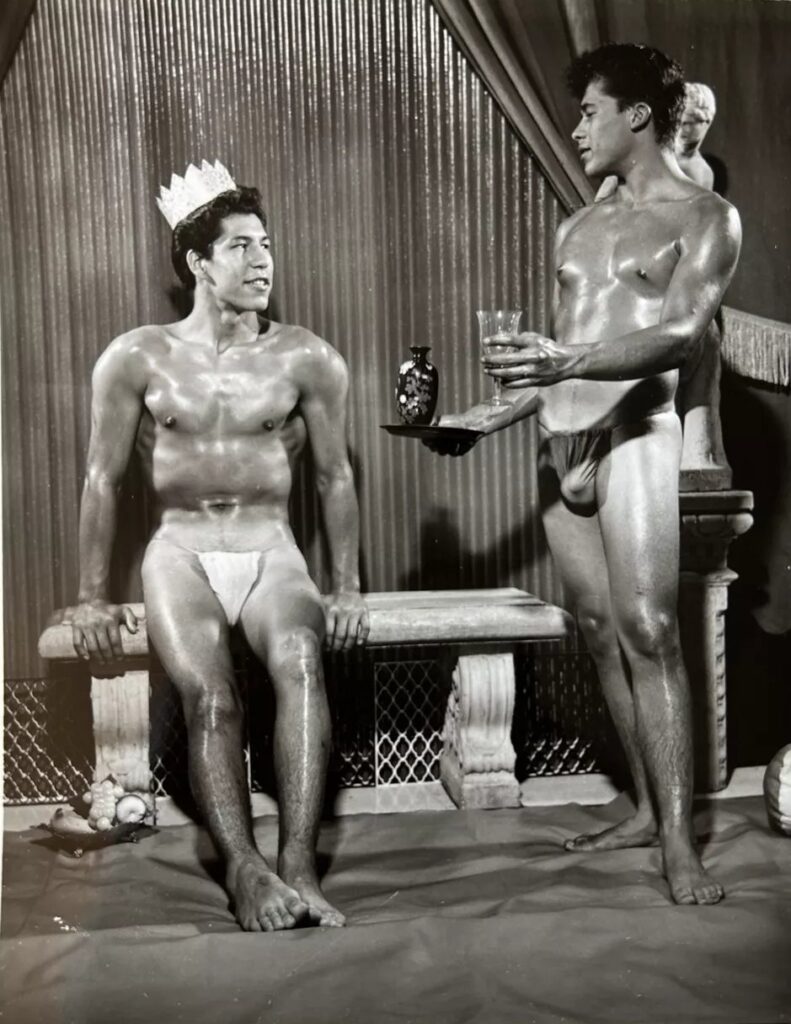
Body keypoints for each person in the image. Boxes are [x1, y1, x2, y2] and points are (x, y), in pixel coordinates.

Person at [429, 44, 741, 905]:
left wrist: (562, 361)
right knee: (599, 632)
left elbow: (679, 336)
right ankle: (644, 809)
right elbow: (553, 366)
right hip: (559, 445)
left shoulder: (705, 217)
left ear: (636, 116)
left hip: (636, 434)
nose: (575, 131)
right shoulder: (576, 227)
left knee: (650, 631)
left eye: (588, 112)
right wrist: (484, 417)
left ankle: (678, 845)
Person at [62, 160, 369, 931]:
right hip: (182, 552)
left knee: (301, 664)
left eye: (266, 244)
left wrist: (346, 585)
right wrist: (91, 595)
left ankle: (297, 864)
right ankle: (243, 869)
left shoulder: (306, 357)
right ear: (198, 263)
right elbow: (101, 478)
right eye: (240, 246)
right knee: (212, 696)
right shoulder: (137, 356)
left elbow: (334, 477)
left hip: (271, 550)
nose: (263, 261)